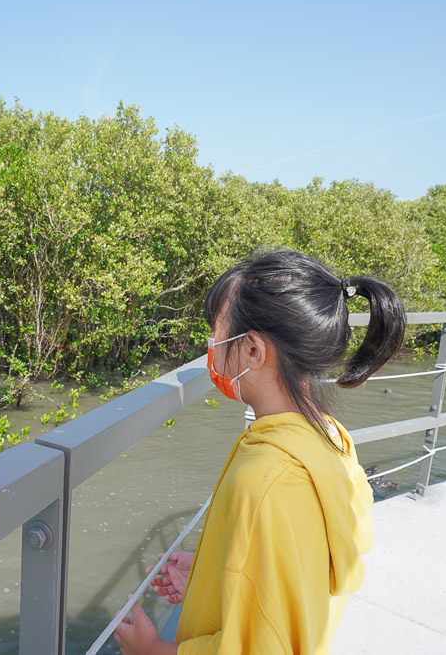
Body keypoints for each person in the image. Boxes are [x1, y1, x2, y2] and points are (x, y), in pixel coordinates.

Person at [113, 249, 406, 654]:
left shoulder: (268, 476)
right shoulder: (328, 437)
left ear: (252, 349)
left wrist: (152, 651)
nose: (212, 345)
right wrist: (212, 571)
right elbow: (293, 572)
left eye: (217, 331)